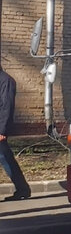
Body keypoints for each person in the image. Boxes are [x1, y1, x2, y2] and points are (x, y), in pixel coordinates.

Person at [0, 66, 32, 201]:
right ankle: (23, 189)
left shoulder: (6, 80)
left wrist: (2, 131)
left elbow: (6, 107)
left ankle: (23, 189)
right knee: (6, 159)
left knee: (6, 159)